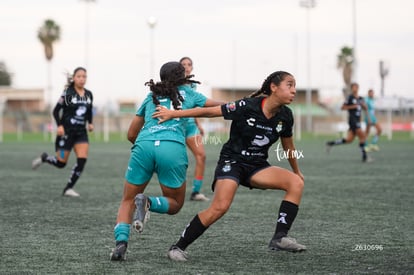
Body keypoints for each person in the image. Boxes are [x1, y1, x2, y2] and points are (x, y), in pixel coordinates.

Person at [153, 70, 306, 262]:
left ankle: (279, 238)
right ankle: (178, 247)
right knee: (220, 207)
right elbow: (209, 111)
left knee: (296, 183)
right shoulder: (247, 106)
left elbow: (289, 147)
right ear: (274, 88)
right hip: (232, 162)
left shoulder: (286, 115)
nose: (294, 91)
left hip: (257, 166)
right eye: (289, 85)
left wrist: (297, 172)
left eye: (294, 86)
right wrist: (174, 113)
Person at [110, 61, 223, 261]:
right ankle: (148, 202)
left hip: (143, 146)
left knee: (127, 200)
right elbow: (220, 107)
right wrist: (248, 103)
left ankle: (121, 244)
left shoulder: (150, 97)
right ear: (184, 77)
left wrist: (144, 148)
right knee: (176, 203)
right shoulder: (190, 94)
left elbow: (131, 133)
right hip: (172, 148)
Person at [31, 67, 94, 197]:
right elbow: (55, 111)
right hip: (66, 133)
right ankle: (45, 158)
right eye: (79, 76)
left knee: (82, 160)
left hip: (81, 133)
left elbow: (88, 111)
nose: (82, 79)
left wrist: (90, 123)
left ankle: (68, 188)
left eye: (84, 76)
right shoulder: (68, 93)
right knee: (61, 163)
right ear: (74, 78)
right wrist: (59, 125)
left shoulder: (89, 94)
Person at [180, 56, 209, 201]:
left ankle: (195, 192)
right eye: (183, 64)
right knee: (177, 161)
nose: (186, 67)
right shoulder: (172, 85)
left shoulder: (192, 86)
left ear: (192, 68)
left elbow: (193, 107)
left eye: (189, 64)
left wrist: (198, 124)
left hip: (191, 127)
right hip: (176, 127)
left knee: (201, 156)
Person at [326, 82, 371, 162]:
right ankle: (364, 157)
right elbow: (342, 107)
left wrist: (365, 108)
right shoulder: (350, 98)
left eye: (356, 87)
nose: (355, 88)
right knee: (363, 136)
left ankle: (331, 143)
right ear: (351, 88)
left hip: (357, 121)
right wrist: (353, 106)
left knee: (349, 140)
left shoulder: (361, 99)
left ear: (358, 88)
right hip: (352, 120)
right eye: (353, 87)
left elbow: (365, 108)